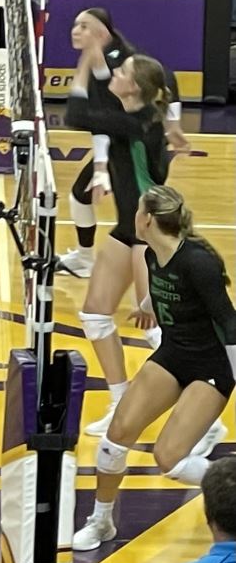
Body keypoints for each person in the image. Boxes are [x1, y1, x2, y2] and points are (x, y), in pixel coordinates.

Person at [71, 186, 234, 552]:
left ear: (146, 220)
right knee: (114, 441)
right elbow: (161, 288)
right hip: (174, 355)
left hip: (211, 367)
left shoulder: (197, 262)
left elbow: (230, 320)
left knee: (169, 458)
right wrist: (146, 305)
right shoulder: (151, 256)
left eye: (136, 210)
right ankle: (101, 522)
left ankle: (232, 484)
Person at [63, 42, 171, 437]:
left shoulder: (139, 122)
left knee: (158, 329)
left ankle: (199, 409)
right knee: (94, 314)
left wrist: (83, 63)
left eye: (122, 71)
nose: (115, 73)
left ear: (134, 87)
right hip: (130, 230)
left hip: (149, 233)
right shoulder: (133, 116)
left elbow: (76, 115)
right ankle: (119, 402)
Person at [56, 8, 187, 280]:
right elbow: (99, 121)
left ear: (101, 33)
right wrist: (102, 167)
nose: (75, 30)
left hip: (135, 149)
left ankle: (161, 290)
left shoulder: (124, 61)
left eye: (83, 26)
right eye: (75, 25)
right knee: (82, 195)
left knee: (139, 231)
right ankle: (85, 260)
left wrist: (173, 125)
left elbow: (167, 77)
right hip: (122, 142)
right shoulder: (101, 67)